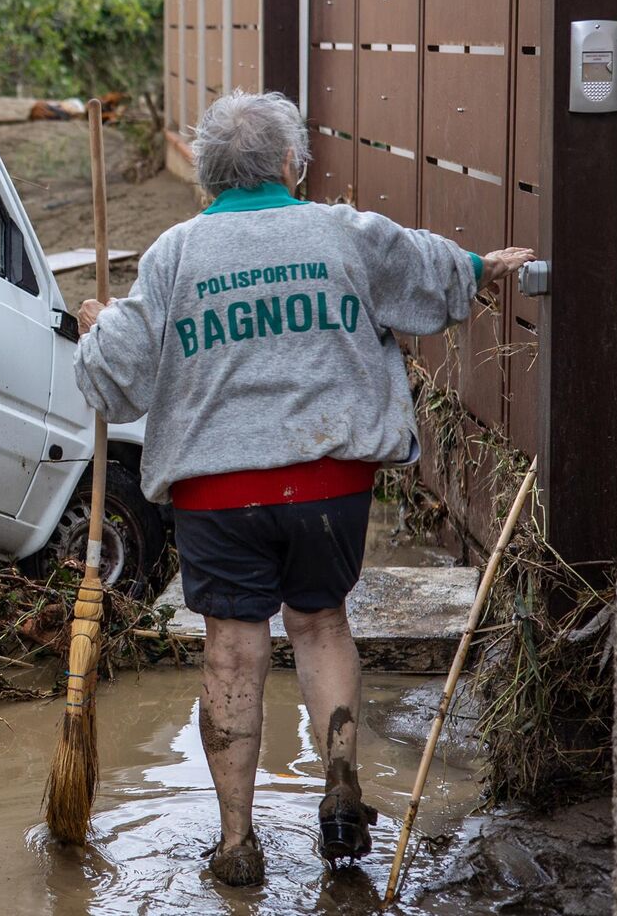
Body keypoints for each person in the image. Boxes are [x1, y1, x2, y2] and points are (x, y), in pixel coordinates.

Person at [73, 90, 532, 887]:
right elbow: (432, 272)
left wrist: (94, 331)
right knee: (320, 624)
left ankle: (236, 843)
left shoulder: (174, 256)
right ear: (291, 165)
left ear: (207, 177)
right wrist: (482, 268)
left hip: (217, 496)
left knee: (233, 648)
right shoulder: (341, 232)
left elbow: (114, 381)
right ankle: (341, 785)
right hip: (331, 485)